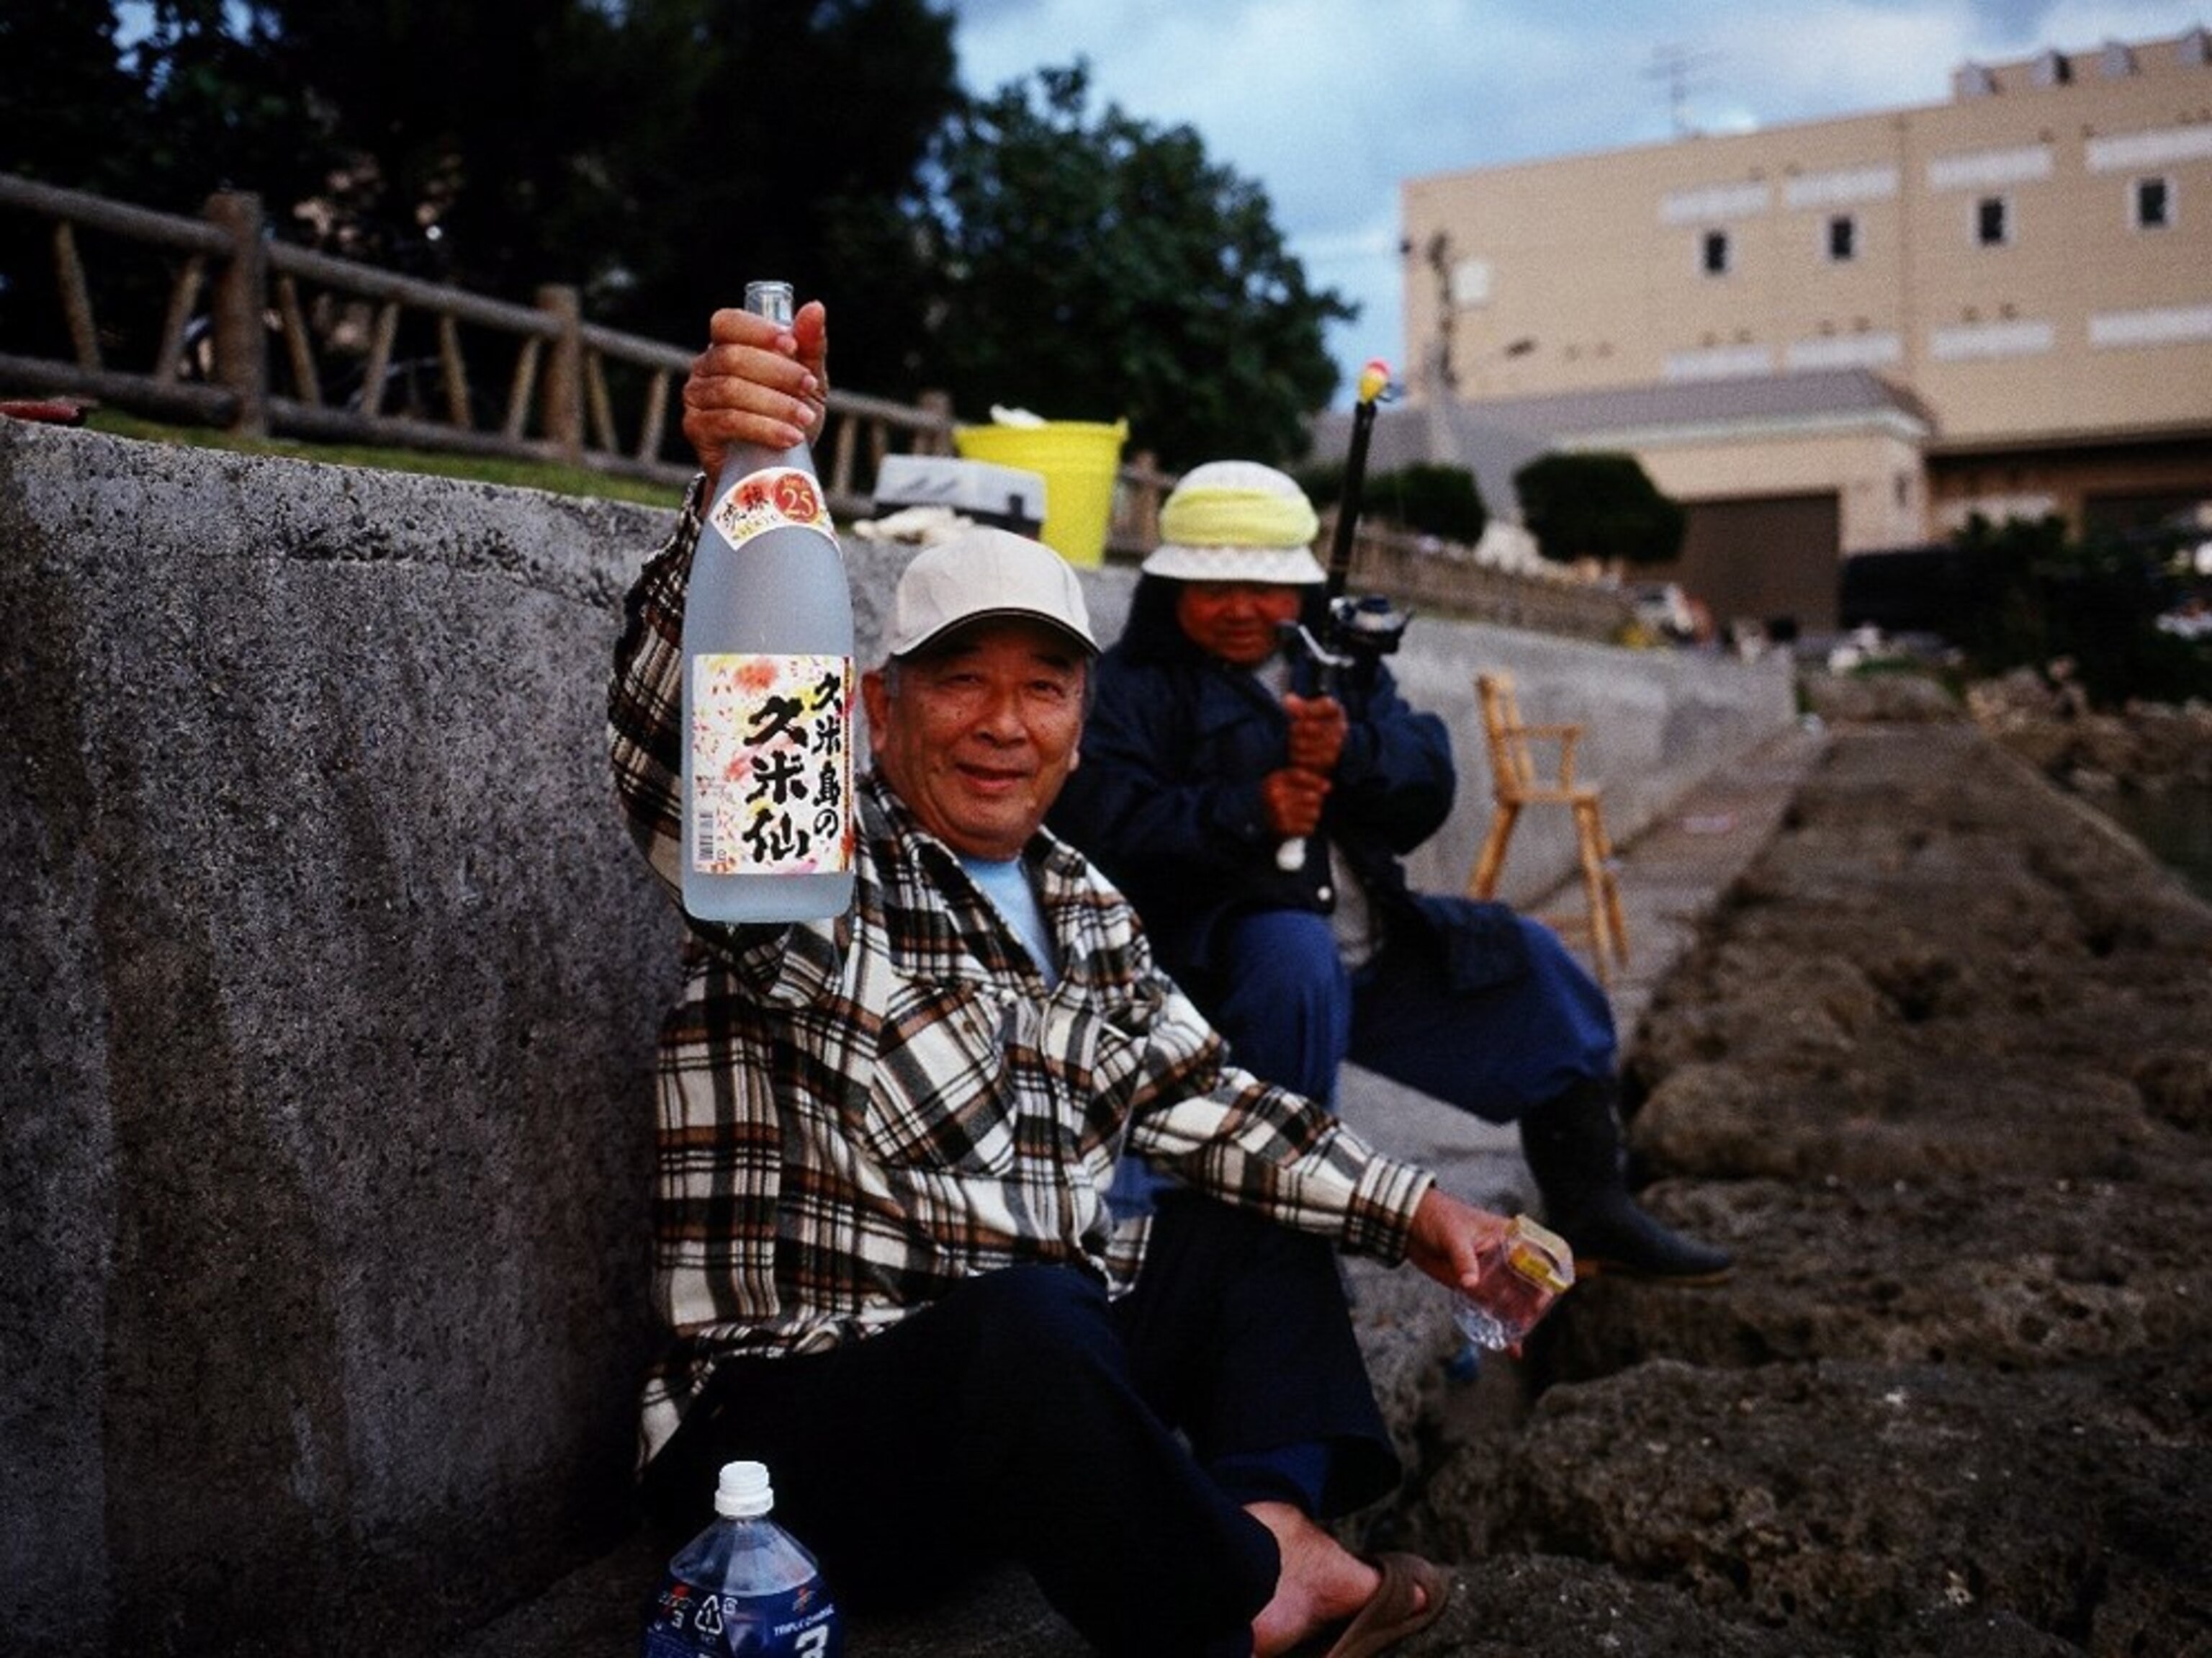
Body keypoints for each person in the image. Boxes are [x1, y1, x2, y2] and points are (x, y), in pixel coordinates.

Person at [606, 300, 1569, 1657]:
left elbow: (1204, 1100)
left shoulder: (1082, 900)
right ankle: (1229, 1601)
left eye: (1044, 688)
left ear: (1080, 720)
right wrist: (728, 485)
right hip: (788, 1441)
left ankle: (1270, 1523)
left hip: (1011, 1410)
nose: (1004, 724)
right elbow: (681, 745)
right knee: (1035, 1314)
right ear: (878, 707)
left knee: (1248, 1217)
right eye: (960, 682)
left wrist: (1423, 1211)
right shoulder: (809, 862)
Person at [1046, 461, 1733, 1283]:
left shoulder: (1339, 666)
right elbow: (1100, 823)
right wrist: (1249, 811)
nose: (1241, 609)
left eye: (1264, 588)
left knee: (1529, 963)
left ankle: (1593, 1204)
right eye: (1214, 588)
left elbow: (1425, 785)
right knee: (1294, 959)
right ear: (1170, 589)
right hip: (1224, 973)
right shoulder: (1125, 689)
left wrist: (1354, 753)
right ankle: (1279, 1241)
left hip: (1368, 942)